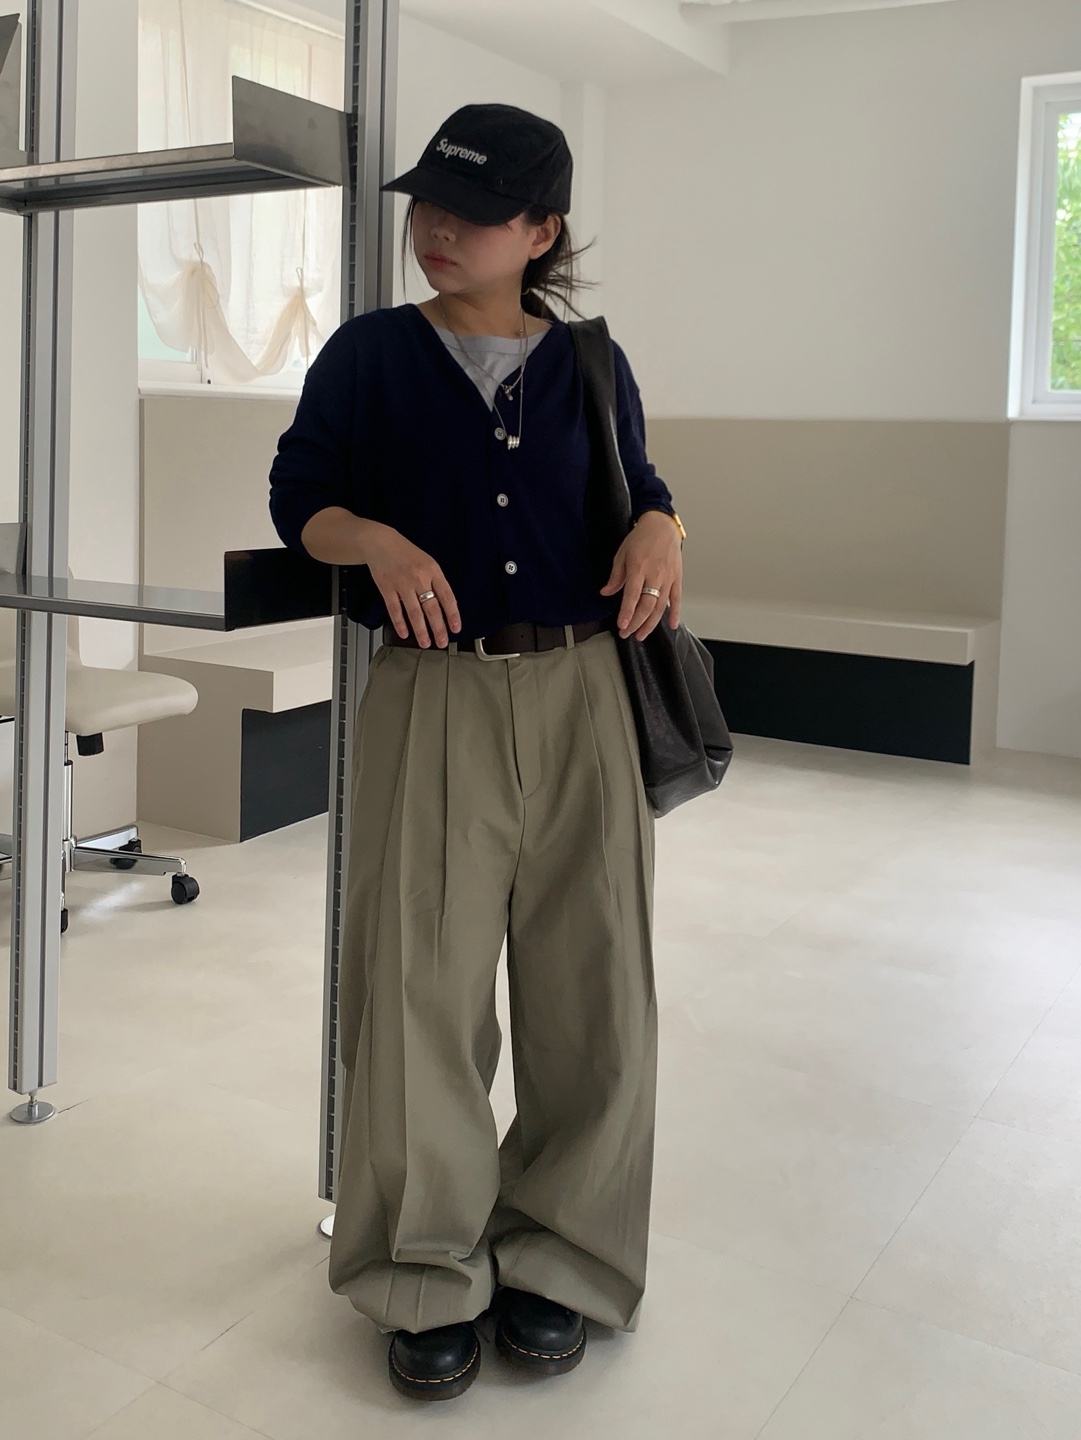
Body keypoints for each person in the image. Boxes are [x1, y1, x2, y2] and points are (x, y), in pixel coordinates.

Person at [268, 103, 686, 1402]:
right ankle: (422, 1268)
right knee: (417, 991)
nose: (439, 231)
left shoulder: (591, 363)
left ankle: (565, 1255)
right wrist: (373, 541)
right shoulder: (370, 354)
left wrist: (663, 527)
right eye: (428, 206)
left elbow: (641, 487)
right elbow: (299, 498)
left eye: (475, 213)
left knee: (593, 987)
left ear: (541, 231)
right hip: (432, 696)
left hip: (584, 694)